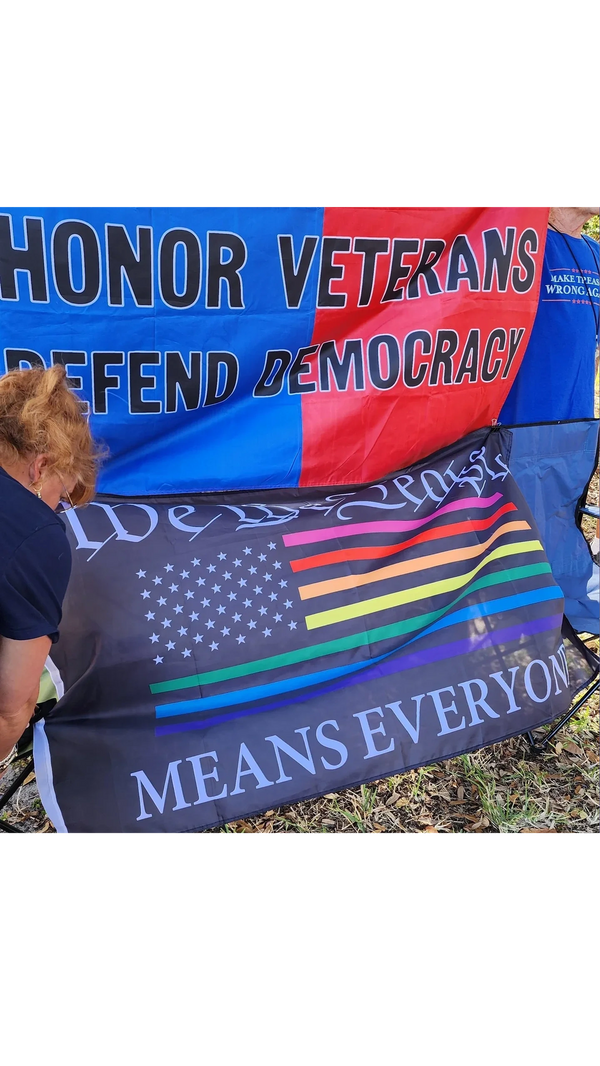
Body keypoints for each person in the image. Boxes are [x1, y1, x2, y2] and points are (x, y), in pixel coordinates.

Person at [0, 365, 102, 764]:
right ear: (40, 468)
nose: (57, 510)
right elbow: (11, 706)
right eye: (61, 496)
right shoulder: (34, 530)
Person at [501, 203, 600, 425]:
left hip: (576, 428)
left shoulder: (596, 253)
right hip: (514, 427)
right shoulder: (520, 243)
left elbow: (592, 347)